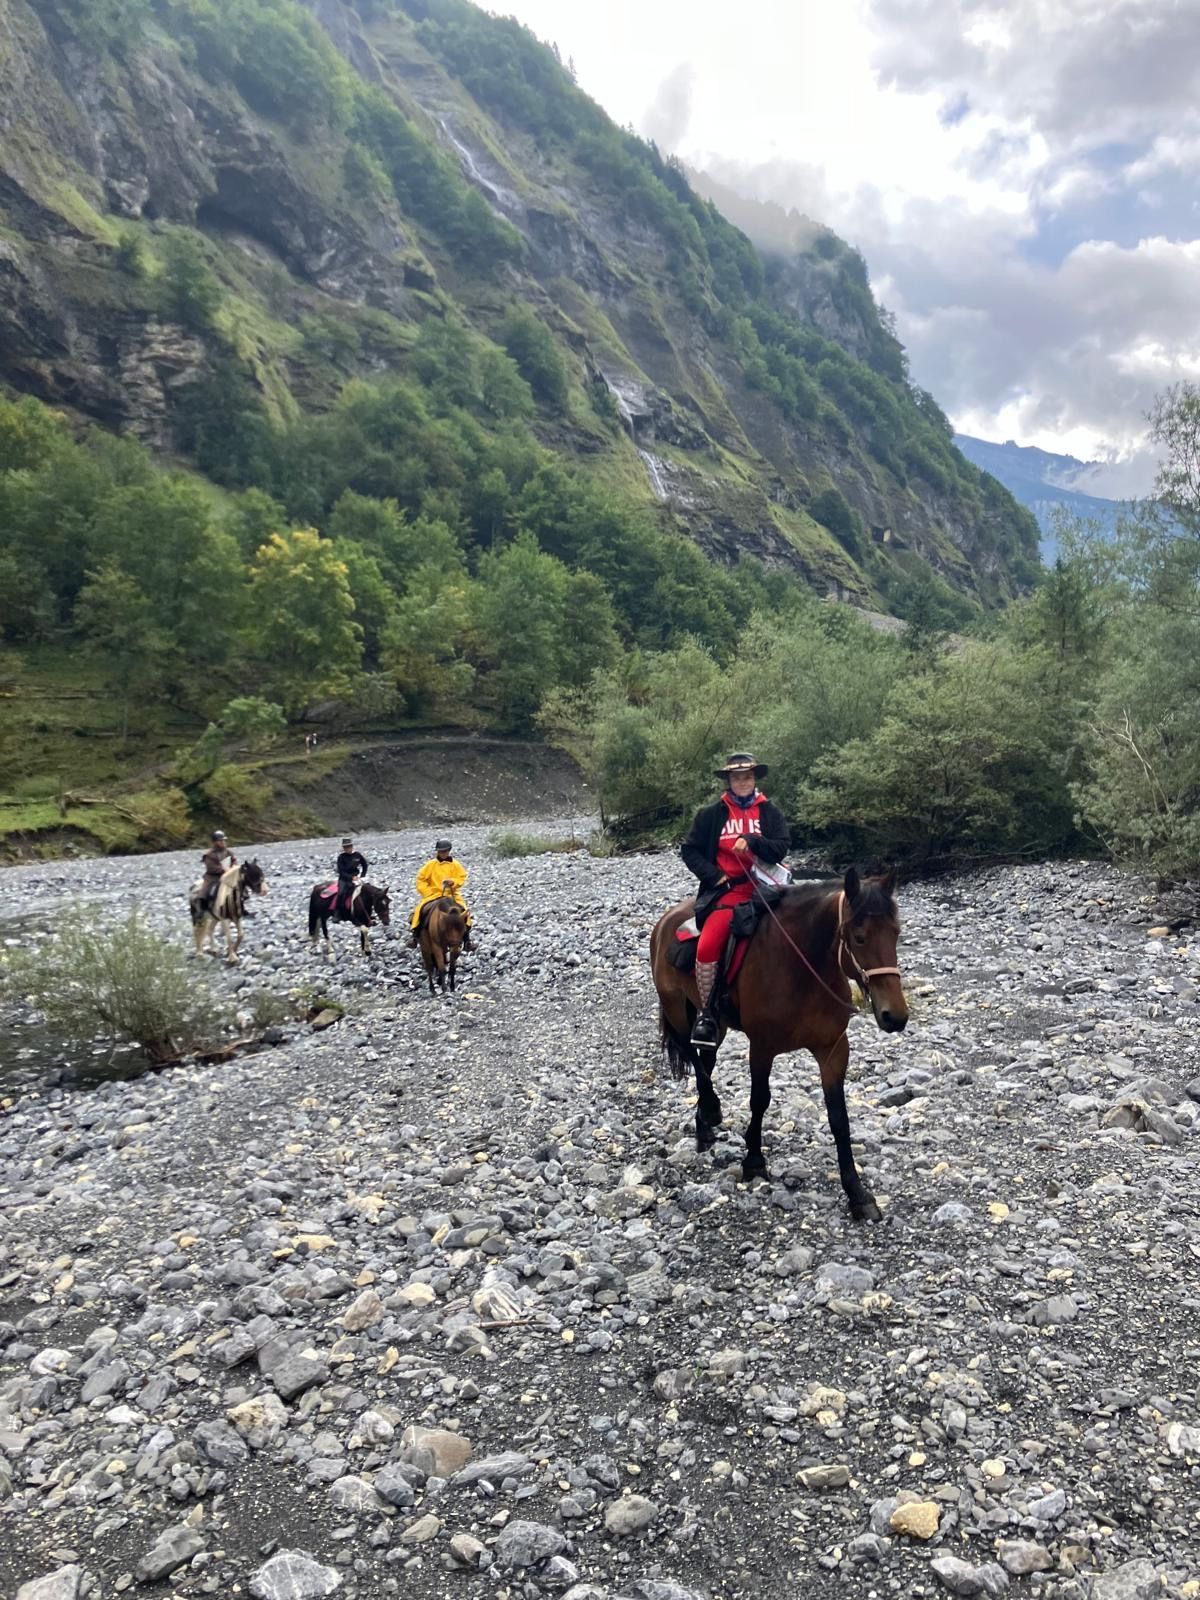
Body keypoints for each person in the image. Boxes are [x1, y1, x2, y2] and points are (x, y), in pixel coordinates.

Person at [680, 752, 790, 1046]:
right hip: (728, 890)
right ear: (729, 780)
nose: (743, 781)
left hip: (767, 886)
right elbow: (689, 850)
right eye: (738, 777)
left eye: (748, 776)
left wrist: (753, 841)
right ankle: (707, 1014)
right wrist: (714, 876)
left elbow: (780, 848)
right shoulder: (711, 814)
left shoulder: (770, 812)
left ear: (755, 779)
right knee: (708, 943)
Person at [410, 838, 473, 950]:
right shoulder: (430, 865)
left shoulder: (455, 864)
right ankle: (415, 936)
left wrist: (453, 882)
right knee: (419, 910)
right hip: (434, 894)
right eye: (440, 851)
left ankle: (467, 940)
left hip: (451, 894)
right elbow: (420, 879)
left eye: (444, 851)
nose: (442, 853)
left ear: (449, 851)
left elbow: (462, 877)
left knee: (464, 912)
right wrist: (427, 892)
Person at [198, 830, 236, 912]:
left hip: (228, 875)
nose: (223, 842)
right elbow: (211, 868)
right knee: (206, 890)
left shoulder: (228, 852)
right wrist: (224, 869)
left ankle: (241, 907)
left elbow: (234, 861)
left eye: (224, 840)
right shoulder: (209, 854)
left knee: (240, 886)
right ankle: (203, 908)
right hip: (213, 876)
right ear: (215, 842)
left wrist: (234, 867)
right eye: (221, 840)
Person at [335, 836, 369, 918]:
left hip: (356, 877)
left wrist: (362, 875)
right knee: (341, 893)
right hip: (344, 879)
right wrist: (351, 878)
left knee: (367, 890)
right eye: (345, 847)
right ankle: (337, 913)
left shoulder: (357, 855)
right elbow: (341, 871)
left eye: (349, 846)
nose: (347, 848)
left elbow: (365, 864)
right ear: (343, 848)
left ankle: (368, 910)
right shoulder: (341, 857)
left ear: (352, 846)